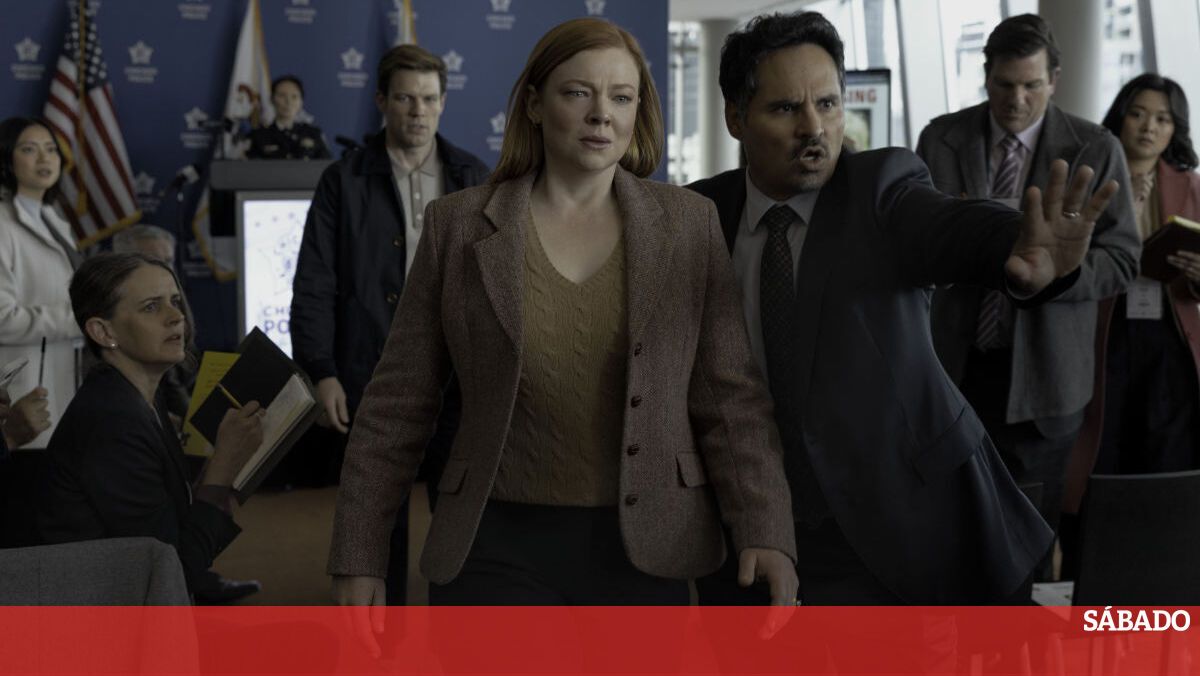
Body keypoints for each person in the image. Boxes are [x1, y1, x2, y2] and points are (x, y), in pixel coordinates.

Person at [328, 16, 797, 627]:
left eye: (621, 97)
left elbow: (730, 397)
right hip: (492, 543)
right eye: (578, 92)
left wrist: (765, 526)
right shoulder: (458, 227)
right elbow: (397, 404)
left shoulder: (688, 224)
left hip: (646, 546)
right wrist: (360, 553)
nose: (602, 114)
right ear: (533, 104)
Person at [689, 11, 1117, 605]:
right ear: (736, 117)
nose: (814, 127)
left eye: (828, 104)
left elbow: (949, 226)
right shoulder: (700, 214)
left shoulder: (879, 188)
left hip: (899, 524)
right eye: (785, 108)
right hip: (758, 524)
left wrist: (1016, 244)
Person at [916, 14, 1139, 581]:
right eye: (1004, 84)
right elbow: (916, 245)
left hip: (1044, 384)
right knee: (946, 537)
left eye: (1032, 85)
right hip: (952, 371)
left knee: (1028, 547)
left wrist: (1060, 276)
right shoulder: (941, 138)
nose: (1016, 99)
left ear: (1054, 80)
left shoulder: (1096, 147)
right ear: (986, 76)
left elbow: (1122, 259)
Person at [291, 44, 489, 603]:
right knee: (378, 519)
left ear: (443, 102)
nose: (417, 111)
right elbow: (314, 282)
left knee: (461, 520)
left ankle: (461, 634)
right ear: (381, 101)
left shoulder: (474, 175)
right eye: (404, 98)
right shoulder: (342, 180)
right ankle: (383, 634)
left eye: (428, 98)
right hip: (373, 374)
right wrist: (321, 370)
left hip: (461, 379)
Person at [38, 253, 265, 596]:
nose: (176, 316)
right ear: (103, 331)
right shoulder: (112, 422)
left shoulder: (139, 395)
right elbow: (169, 574)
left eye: (175, 301)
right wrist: (222, 469)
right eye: (150, 307)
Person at [1060, 75, 1200, 574]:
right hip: (1104, 335)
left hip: (1169, 340)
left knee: (1168, 457)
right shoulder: (1091, 176)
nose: (1149, 127)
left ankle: (1160, 580)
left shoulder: (1191, 186)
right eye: (1139, 114)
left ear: (1175, 129)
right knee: (1101, 456)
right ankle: (1091, 578)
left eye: (1162, 119)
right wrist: (1128, 212)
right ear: (1121, 116)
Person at [0, 116, 82, 548]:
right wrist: (78, 318)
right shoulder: (2, 222)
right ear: (7, 159)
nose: (43, 158)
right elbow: (3, 317)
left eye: (50, 148)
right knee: (25, 525)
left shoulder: (54, 217)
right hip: (22, 397)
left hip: (65, 390)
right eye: (28, 149)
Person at [246, 75, 331, 160]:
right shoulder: (258, 136)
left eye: (294, 96)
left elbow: (326, 164)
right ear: (272, 99)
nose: (288, 102)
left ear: (301, 102)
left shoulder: (313, 134)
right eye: (282, 96)